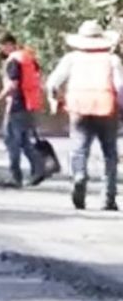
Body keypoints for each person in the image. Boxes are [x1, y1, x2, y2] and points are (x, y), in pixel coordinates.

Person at [46, 20, 123, 211]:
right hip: (106, 107)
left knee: (79, 149)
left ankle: (79, 176)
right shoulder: (112, 59)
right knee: (109, 154)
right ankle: (108, 198)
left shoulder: (71, 58)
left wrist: (54, 100)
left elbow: (52, 83)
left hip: (78, 106)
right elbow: (120, 86)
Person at [0, 33, 46, 188]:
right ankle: (39, 168)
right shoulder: (28, 58)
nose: (0, 50)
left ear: (9, 45)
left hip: (16, 105)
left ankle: (16, 176)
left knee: (11, 140)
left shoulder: (13, 61)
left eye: (1, 46)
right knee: (24, 141)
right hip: (29, 104)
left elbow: (12, 85)